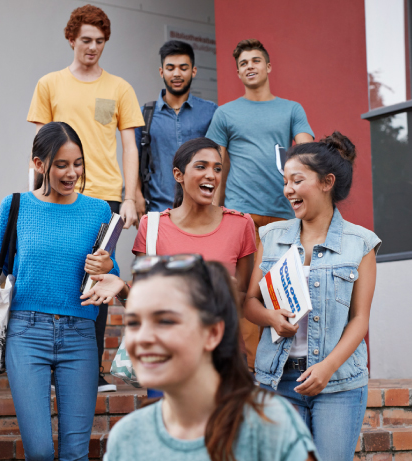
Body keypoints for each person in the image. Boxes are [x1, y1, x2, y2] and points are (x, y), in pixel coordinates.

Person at [102, 254, 344, 461]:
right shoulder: (127, 440)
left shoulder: (270, 427)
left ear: (213, 333)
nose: (143, 338)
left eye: (165, 321)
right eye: (134, 322)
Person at [0, 122, 119, 461]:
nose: (71, 173)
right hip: (26, 333)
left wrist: (108, 269)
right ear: (38, 163)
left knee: (74, 451)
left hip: (79, 336)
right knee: (39, 449)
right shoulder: (15, 207)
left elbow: (110, 272)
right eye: (61, 165)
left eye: (78, 165)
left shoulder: (99, 211)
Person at [243, 132, 380, 461]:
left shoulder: (361, 242)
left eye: (297, 180)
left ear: (326, 182)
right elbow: (249, 303)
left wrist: (328, 368)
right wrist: (272, 320)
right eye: (285, 181)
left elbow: (360, 320)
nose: (288, 190)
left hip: (337, 384)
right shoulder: (272, 236)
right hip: (277, 379)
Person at [27, 4, 144, 392]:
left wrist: (131, 196)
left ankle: (87, 371)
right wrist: (35, 193)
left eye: (99, 42)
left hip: (104, 198)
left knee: (98, 276)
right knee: (58, 274)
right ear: (71, 39)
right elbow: (41, 146)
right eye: (85, 40)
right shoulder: (50, 84)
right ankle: (50, 366)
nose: (92, 48)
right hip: (57, 196)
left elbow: (130, 146)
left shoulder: (119, 88)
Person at [83, 137, 256, 398]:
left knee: (224, 438)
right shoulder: (152, 227)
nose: (211, 175)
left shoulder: (241, 226)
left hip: (223, 358)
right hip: (166, 359)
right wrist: (121, 287)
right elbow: (143, 304)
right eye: (201, 166)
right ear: (178, 174)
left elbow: (244, 299)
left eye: (217, 168)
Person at [206, 38, 314, 368]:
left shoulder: (291, 109)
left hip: (286, 216)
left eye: (256, 60)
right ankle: (251, 369)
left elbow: (307, 150)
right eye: (243, 63)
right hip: (242, 216)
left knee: (288, 290)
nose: (249, 66)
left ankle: (289, 363)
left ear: (268, 67)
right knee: (246, 294)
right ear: (238, 72)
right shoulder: (225, 113)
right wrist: (214, 212)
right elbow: (214, 163)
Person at [135, 40, 217, 213]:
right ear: (161, 71)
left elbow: (221, 161)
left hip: (201, 210)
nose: (177, 73)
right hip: (158, 209)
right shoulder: (144, 115)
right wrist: (136, 196)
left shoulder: (211, 112)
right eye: (170, 68)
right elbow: (134, 159)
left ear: (193, 71)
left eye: (183, 68)